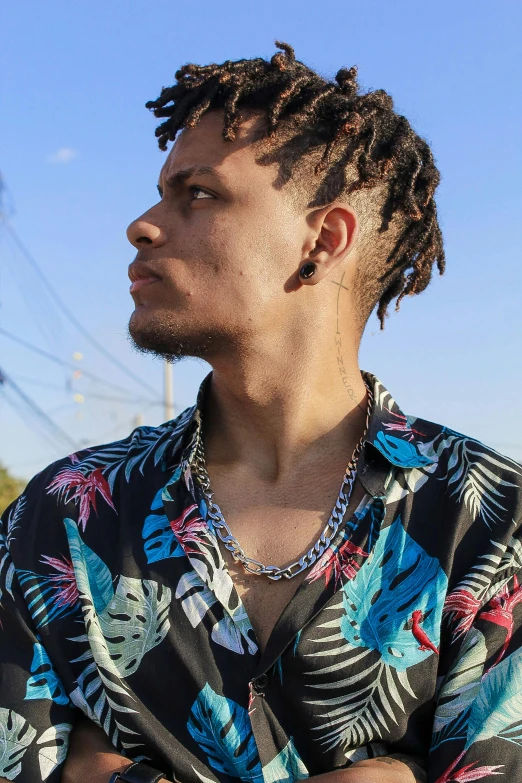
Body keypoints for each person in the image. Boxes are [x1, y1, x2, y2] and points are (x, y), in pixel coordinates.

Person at [1, 41, 521, 783]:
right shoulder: (62, 517)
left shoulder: (489, 522)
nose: (143, 224)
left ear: (324, 239)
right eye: (159, 192)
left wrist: (110, 772)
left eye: (200, 193)